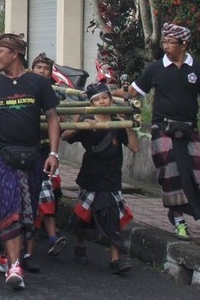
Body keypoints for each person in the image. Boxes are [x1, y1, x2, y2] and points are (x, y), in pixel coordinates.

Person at [131, 22, 200, 240]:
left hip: (189, 129)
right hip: (163, 128)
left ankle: (175, 208)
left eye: (171, 42)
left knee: (194, 173)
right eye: (165, 42)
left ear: (184, 44)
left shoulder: (197, 69)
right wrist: (109, 93)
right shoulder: (155, 68)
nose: (166, 46)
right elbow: (134, 91)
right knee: (171, 174)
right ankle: (179, 220)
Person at [0, 33, 61, 291]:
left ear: (14, 53)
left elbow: (53, 118)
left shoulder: (38, 83)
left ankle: (9, 253)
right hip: (2, 155)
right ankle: (14, 267)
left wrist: (53, 154)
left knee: (28, 211)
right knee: (9, 205)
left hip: (33, 155)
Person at [62, 83, 138, 273]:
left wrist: (127, 124)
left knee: (112, 217)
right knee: (82, 217)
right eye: (97, 99)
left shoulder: (117, 121)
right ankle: (80, 245)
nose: (102, 102)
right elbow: (65, 136)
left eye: (105, 97)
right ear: (91, 102)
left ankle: (115, 260)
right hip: (90, 176)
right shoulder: (89, 120)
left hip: (112, 177)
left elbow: (135, 147)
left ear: (110, 99)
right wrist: (81, 123)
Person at [29, 52, 67, 257]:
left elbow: (57, 117)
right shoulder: (24, 86)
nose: (43, 72)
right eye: (39, 68)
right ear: (31, 69)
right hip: (24, 148)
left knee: (47, 191)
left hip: (45, 149)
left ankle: (52, 236)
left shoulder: (54, 93)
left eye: (46, 69)